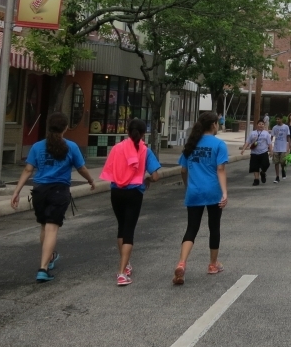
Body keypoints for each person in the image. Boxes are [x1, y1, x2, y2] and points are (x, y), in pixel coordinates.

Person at [9, 112, 96, 282]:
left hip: (40, 191)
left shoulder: (37, 147)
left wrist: (16, 191)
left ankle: (48, 259)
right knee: (51, 228)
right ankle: (43, 268)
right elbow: (81, 168)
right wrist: (90, 180)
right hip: (59, 191)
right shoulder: (71, 147)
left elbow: (28, 170)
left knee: (44, 227)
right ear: (65, 128)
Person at [100, 118, 162, 286]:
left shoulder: (116, 149)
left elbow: (110, 170)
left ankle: (126, 264)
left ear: (127, 132)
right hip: (134, 193)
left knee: (121, 227)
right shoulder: (145, 151)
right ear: (143, 134)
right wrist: (147, 179)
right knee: (129, 230)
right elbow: (156, 175)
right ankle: (121, 272)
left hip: (116, 192)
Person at [173, 111, 229, 284]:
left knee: (192, 228)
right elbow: (220, 169)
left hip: (194, 191)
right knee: (214, 227)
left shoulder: (191, 143)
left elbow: (183, 170)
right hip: (213, 191)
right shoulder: (219, 144)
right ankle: (213, 264)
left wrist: (188, 186)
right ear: (213, 125)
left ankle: (182, 262)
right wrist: (224, 192)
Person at [241, 120, 272, 185]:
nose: (261, 125)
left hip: (263, 152)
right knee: (255, 167)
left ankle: (263, 173)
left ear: (264, 125)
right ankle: (256, 179)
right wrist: (243, 149)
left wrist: (271, 151)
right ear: (257, 125)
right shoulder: (252, 133)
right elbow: (248, 142)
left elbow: (269, 143)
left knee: (266, 164)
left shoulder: (266, 133)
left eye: (262, 124)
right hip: (254, 153)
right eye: (259, 124)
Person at [271, 115, 291, 182]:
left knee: (283, 162)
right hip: (276, 147)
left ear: (281, 119)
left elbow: (288, 136)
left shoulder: (286, 127)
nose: (277, 120)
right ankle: (277, 176)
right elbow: (272, 136)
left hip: (283, 147)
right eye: (276, 119)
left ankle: (283, 169)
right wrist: (270, 146)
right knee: (276, 162)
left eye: (278, 119)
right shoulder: (274, 127)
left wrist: (290, 145)